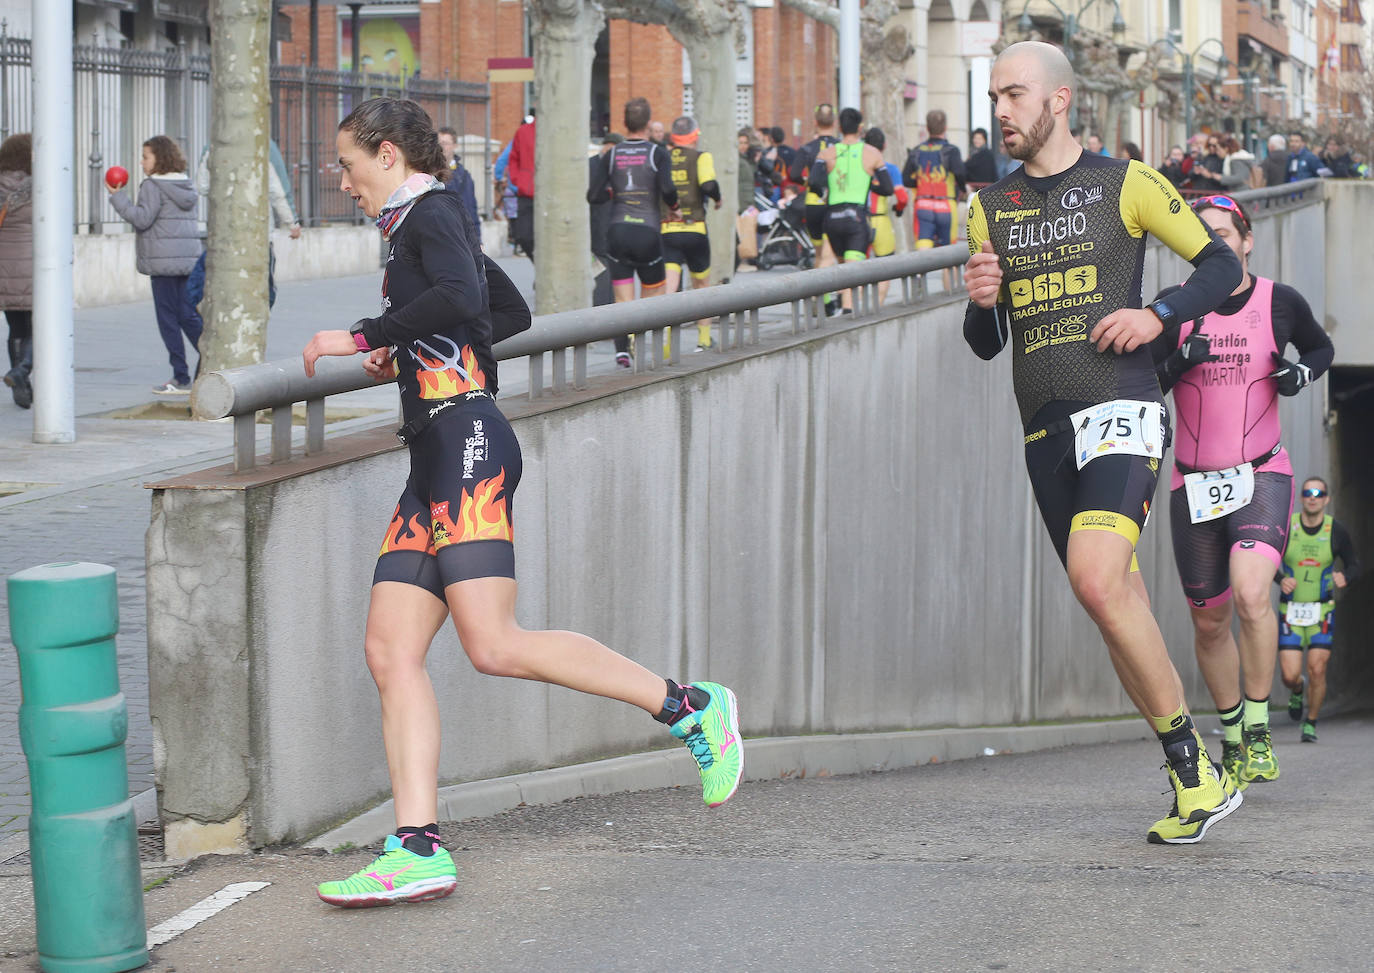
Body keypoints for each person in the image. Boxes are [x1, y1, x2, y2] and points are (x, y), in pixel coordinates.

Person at [302, 97, 742, 908]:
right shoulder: (419, 222)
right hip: (433, 452)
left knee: (493, 643)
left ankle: (689, 705)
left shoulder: (430, 210)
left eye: (348, 164)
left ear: (388, 155)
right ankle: (418, 845)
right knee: (389, 649)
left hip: (466, 440)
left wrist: (367, 334)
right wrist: (408, 338)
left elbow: (468, 298)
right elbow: (505, 310)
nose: (344, 179)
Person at [963, 41, 1245, 845]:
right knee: (1115, 602)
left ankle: (1196, 766)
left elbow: (1221, 267)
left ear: (1060, 99)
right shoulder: (990, 207)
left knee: (1095, 580)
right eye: (994, 97)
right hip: (1043, 431)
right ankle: (1195, 773)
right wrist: (982, 303)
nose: (1001, 111)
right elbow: (986, 341)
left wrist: (1158, 313)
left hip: (1121, 406)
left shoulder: (1126, 183)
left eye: (1014, 94)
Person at [1149, 193, 1334, 792]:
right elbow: (1144, 381)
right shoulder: (1172, 310)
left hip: (1261, 473)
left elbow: (1321, 347)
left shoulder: (1280, 301)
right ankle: (1230, 732)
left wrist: (1301, 373)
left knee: (1254, 594)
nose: (1215, 244)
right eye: (1201, 236)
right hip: (1192, 483)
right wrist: (1177, 363)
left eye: (1224, 235)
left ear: (1246, 241)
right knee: (1209, 621)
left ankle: (1257, 729)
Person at [108, 135, 203, 395]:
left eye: (146, 156)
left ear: (159, 159)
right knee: (188, 315)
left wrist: (118, 197)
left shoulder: (152, 185)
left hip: (162, 263)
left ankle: (181, 376)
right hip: (188, 260)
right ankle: (213, 356)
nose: (141, 162)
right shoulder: (186, 184)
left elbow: (142, 219)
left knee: (168, 319)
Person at [1278, 477, 1361, 743]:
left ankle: (1310, 723)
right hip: (1290, 611)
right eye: (1307, 493)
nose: (1313, 497)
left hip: (1321, 612)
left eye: (1318, 493)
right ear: (1302, 498)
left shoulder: (1336, 530)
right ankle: (1297, 689)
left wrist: (1346, 577)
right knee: (1290, 675)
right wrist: (1280, 579)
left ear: (1326, 499)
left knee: (1317, 668)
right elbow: (1263, 558)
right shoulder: (1287, 527)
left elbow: (1355, 563)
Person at [586, 97, 678, 310]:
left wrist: (613, 194)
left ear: (625, 123)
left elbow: (593, 195)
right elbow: (668, 189)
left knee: (622, 303)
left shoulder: (612, 154)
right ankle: (644, 341)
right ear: (648, 124)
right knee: (652, 298)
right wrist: (674, 208)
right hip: (648, 233)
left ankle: (626, 344)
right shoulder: (658, 153)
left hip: (618, 232)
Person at [809, 107, 892, 313]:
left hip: (832, 217)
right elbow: (888, 188)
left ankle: (826, 303)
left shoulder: (826, 153)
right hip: (856, 218)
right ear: (860, 128)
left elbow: (814, 183)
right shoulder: (872, 153)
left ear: (839, 126)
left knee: (835, 264)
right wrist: (869, 185)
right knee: (851, 273)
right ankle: (847, 312)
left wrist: (828, 191)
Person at [661, 116, 721, 352]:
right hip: (695, 229)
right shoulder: (701, 157)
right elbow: (708, 184)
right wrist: (718, 198)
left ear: (673, 137)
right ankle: (704, 339)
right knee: (701, 285)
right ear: (695, 135)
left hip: (668, 230)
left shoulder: (664, 156)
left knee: (668, 289)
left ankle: (665, 342)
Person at [789, 104, 841, 311]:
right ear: (834, 123)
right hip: (832, 203)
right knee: (829, 256)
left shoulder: (807, 148)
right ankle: (826, 301)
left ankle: (818, 299)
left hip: (812, 204)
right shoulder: (839, 147)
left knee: (819, 254)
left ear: (815, 123)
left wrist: (808, 183)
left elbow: (793, 174)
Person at [588, 133, 633, 367]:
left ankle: (623, 341)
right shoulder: (592, 167)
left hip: (623, 237)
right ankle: (616, 338)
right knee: (605, 286)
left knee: (620, 291)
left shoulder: (627, 171)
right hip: (599, 238)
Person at [904, 109, 966, 251]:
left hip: (923, 205)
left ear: (927, 128)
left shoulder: (916, 151)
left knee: (922, 252)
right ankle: (949, 275)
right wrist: (962, 188)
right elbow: (960, 173)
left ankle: (920, 274)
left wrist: (920, 183)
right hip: (946, 205)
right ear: (945, 127)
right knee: (948, 256)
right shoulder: (951, 150)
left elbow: (905, 179)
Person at [0, 133, 32, 410]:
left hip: (5, 267)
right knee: (39, 327)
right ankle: (21, 371)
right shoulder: (39, 186)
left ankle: (20, 381)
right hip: (33, 266)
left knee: (16, 328)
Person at [864, 126, 908, 306]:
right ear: (884, 145)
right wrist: (898, 209)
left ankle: (857, 308)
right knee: (885, 268)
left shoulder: (861, 167)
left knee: (857, 269)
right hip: (881, 220)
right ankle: (877, 306)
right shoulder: (890, 169)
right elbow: (902, 198)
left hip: (862, 220)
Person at [506, 110, 536, 258]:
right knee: (524, 237)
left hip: (552, 194)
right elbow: (513, 158)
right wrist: (518, 180)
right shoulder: (523, 132)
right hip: (527, 193)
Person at [437, 126, 480, 226]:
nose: (441, 147)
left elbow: (470, 208)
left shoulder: (463, 176)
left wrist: (476, 239)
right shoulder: (429, 172)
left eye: (445, 143)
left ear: (455, 145)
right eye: (439, 143)